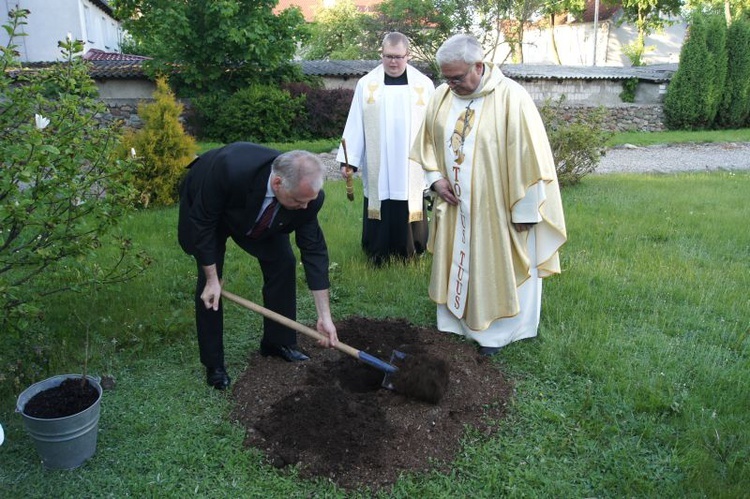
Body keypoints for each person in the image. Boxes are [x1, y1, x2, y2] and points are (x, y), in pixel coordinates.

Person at [410, 34, 567, 356]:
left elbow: (530, 159)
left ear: (479, 66)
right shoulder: (441, 96)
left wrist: (525, 212)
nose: (451, 84)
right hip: (456, 208)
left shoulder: (512, 98)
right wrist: (436, 179)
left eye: (457, 77)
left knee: (498, 265)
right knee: (461, 260)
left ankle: (499, 334)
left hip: (498, 208)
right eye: (446, 78)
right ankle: (457, 323)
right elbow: (427, 142)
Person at [178, 143, 338, 389]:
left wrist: (324, 316)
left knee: (283, 262)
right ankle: (214, 364)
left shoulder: (306, 199)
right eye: (299, 201)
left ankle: (277, 341)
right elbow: (203, 222)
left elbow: (314, 251)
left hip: (255, 210)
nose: (305, 208)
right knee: (211, 285)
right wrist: (212, 278)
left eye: (309, 201)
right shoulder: (230, 168)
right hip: (209, 204)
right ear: (277, 184)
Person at [336, 32, 435, 266]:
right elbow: (356, 123)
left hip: (410, 160)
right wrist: (348, 161)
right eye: (388, 56)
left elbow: (433, 127)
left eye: (398, 57)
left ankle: (413, 249)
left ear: (408, 56)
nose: (393, 62)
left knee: (408, 196)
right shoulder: (367, 84)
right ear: (381, 55)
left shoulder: (423, 85)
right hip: (378, 159)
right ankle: (377, 250)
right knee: (380, 196)